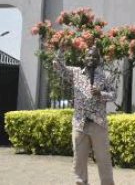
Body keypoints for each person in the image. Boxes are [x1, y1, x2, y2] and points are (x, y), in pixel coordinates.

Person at [54, 45, 116, 185]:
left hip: (98, 124)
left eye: (95, 56)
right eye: (89, 55)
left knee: (103, 158)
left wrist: (101, 94)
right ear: (84, 58)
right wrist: (62, 50)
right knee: (79, 159)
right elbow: (58, 66)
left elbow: (113, 95)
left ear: (99, 59)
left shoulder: (106, 76)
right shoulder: (76, 73)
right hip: (79, 123)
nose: (91, 58)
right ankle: (81, 182)